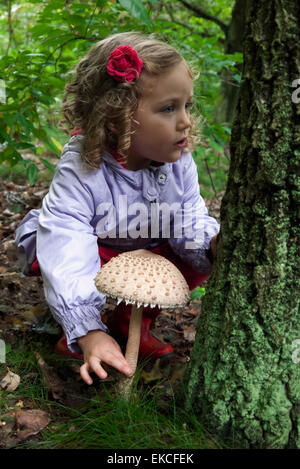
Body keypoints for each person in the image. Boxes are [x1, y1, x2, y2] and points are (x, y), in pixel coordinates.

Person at [15, 32, 219, 386]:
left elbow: (190, 220)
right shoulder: (84, 165)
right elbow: (67, 238)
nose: (185, 120)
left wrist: (213, 245)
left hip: (150, 255)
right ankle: (82, 328)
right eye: (168, 108)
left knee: (194, 254)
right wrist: (87, 329)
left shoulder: (180, 162)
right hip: (99, 251)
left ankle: (132, 325)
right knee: (48, 247)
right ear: (116, 115)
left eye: (187, 105)